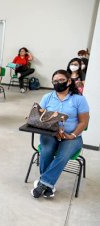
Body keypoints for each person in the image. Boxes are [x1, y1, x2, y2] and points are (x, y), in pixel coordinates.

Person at [31, 69, 89, 199]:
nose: (58, 83)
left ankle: (43, 183)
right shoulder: (47, 97)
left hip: (72, 136)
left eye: (61, 80)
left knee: (63, 155)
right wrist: (55, 130)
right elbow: (39, 118)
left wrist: (72, 135)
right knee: (46, 151)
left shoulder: (79, 100)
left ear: (69, 81)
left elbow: (83, 122)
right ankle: (48, 186)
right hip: (50, 133)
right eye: (55, 81)